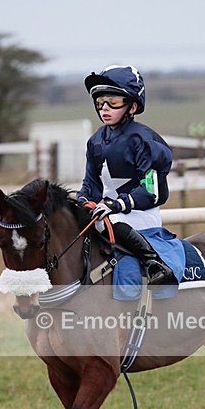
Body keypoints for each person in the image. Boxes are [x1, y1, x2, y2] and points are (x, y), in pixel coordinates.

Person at [77, 64, 174, 285]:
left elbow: (151, 191)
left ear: (132, 106)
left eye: (113, 101)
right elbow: (91, 185)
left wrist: (117, 204)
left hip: (140, 213)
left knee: (106, 221)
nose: (105, 108)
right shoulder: (95, 142)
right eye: (100, 102)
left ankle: (154, 262)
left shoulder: (143, 140)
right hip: (109, 211)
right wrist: (81, 199)